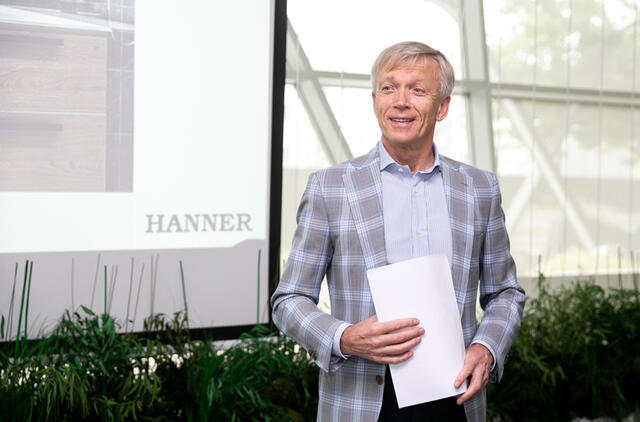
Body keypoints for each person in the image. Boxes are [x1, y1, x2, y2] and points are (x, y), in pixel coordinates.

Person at [271, 41, 525, 422]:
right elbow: (288, 300)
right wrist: (344, 338)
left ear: (442, 107)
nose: (401, 102)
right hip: (361, 402)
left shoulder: (479, 189)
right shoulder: (331, 188)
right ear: (375, 102)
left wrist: (486, 347)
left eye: (417, 90)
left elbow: (505, 292)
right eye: (389, 88)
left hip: (456, 401)